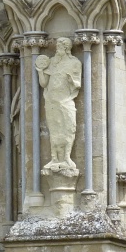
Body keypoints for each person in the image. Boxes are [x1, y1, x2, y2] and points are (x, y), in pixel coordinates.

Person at [36, 37, 82, 171]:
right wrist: (40, 71)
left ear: (66, 48)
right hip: (51, 101)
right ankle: (54, 158)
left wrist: (71, 80)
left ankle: (67, 157)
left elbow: (78, 84)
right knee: (54, 130)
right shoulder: (52, 63)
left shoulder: (75, 63)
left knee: (68, 128)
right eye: (56, 47)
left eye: (59, 47)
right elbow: (44, 84)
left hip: (66, 101)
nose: (57, 50)